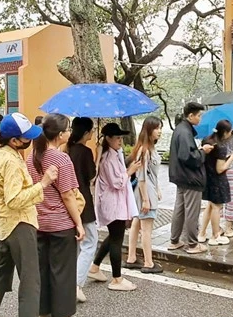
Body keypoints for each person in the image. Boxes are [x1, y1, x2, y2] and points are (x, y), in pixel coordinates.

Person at [0, 113, 58, 317]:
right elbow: (15, 200)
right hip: (19, 224)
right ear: (15, 141)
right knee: (30, 280)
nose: (30, 141)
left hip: (3, 225)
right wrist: (43, 183)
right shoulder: (12, 161)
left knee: (1, 276)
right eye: (26, 138)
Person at [26, 114, 85, 317]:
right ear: (60, 135)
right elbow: (68, 195)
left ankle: (43, 313)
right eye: (68, 129)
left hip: (39, 222)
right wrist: (78, 224)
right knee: (63, 271)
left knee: (42, 269)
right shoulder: (61, 159)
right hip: (60, 223)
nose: (70, 133)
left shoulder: (31, 157)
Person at [87, 123, 141, 291]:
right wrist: (129, 171)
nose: (120, 141)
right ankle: (116, 279)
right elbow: (117, 182)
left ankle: (95, 267)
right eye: (117, 138)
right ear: (108, 139)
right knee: (117, 239)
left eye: (121, 138)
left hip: (115, 202)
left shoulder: (112, 153)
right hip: (113, 204)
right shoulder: (108, 158)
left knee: (113, 236)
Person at [168, 102, 213, 254]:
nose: (200, 118)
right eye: (199, 115)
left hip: (180, 176)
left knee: (180, 209)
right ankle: (192, 244)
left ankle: (175, 240)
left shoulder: (180, 129)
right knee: (191, 212)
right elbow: (188, 157)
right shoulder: (185, 132)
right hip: (190, 177)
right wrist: (203, 152)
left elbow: (185, 153)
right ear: (191, 115)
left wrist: (198, 150)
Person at [125, 116, 165, 273]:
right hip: (145, 193)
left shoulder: (148, 148)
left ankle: (131, 257)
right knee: (147, 229)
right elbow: (141, 178)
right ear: (149, 130)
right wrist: (147, 200)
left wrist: (158, 188)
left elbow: (150, 175)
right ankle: (148, 262)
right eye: (157, 128)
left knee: (137, 223)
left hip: (147, 191)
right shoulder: (145, 150)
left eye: (160, 128)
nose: (160, 131)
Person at [67, 117, 97, 303]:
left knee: (77, 244)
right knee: (90, 242)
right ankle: (75, 284)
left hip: (70, 200)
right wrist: (98, 155)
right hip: (83, 200)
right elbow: (91, 175)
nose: (92, 134)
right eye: (91, 131)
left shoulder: (67, 150)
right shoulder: (85, 152)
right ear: (86, 133)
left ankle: (71, 281)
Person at [197, 120, 233, 246]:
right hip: (217, 180)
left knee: (210, 206)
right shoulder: (220, 147)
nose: (231, 134)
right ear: (225, 132)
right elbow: (220, 168)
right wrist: (231, 158)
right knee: (217, 207)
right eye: (230, 131)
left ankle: (202, 233)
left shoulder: (207, 140)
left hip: (207, 177)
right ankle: (215, 236)